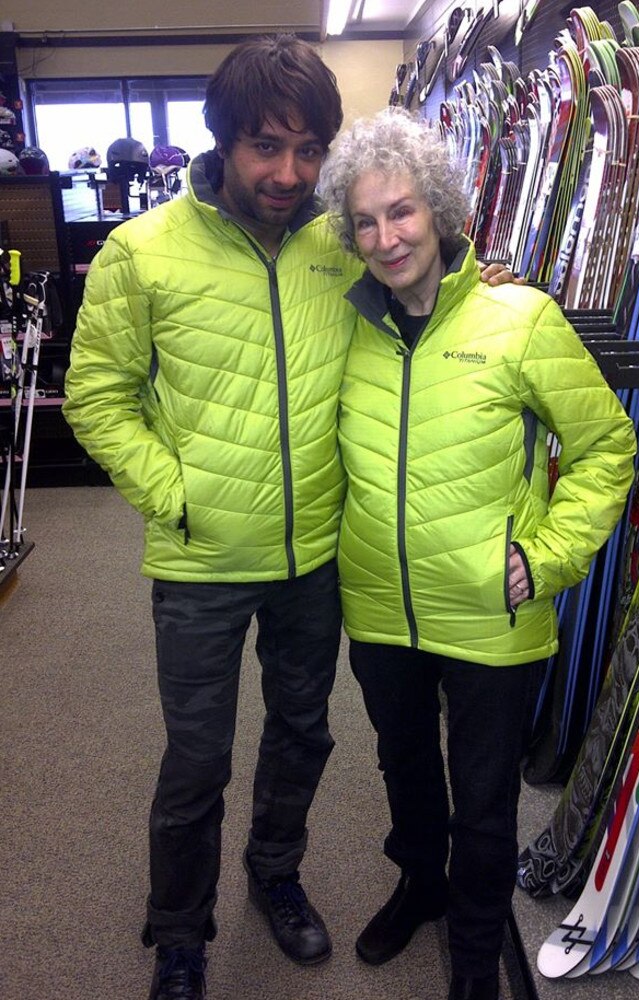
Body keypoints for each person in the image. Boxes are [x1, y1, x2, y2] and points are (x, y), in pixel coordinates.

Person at [63, 36, 517, 1000]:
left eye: (309, 149)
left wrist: (497, 283)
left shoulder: (335, 239)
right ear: (222, 142)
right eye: (268, 146)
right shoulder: (141, 253)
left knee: (302, 732)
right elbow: (98, 397)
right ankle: (180, 930)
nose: (289, 172)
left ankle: (276, 869)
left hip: (316, 555)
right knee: (197, 759)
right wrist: (175, 494)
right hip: (201, 561)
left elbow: (424, 281)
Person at [318, 108, 637, 1000]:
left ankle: (471, 954)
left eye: (404, 212)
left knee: (485, 801)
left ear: (443, 209)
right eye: (367, 221)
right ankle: (420, 882)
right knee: (404, 765)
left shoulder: (520, 316)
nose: (386, 238)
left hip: (494, 616)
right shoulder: (347, 327)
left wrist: (548, 555)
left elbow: (610, 446)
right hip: (380, 606)